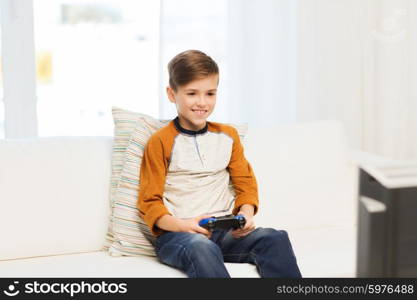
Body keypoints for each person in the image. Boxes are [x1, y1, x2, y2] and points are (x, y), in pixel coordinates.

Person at [138, 49, 302, 278]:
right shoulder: (160, 141)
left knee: (274, 238)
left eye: (210, 93)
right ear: (172, 94)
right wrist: (182, 225)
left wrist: (245, 214)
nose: (202, 102)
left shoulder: (228, 136)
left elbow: (245, 183)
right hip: (178, 236)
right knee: (201, 246)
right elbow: (149, 202)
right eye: (192, 93)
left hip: (222, 231)